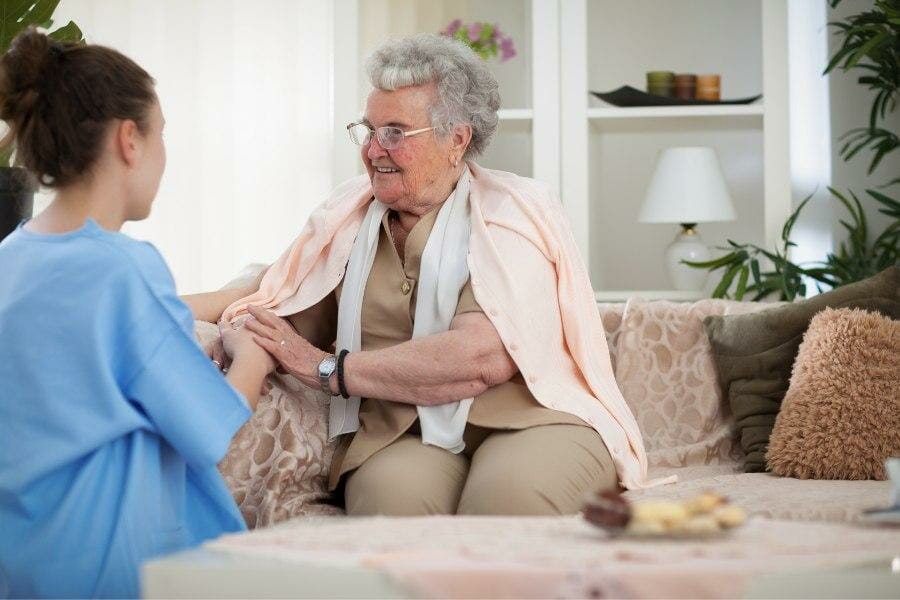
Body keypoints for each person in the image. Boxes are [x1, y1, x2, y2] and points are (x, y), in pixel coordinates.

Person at [214, 34, 661, 517]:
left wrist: (327, 369)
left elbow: (478, 358)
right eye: (367, 130)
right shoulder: (347, 215)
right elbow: (275, 292)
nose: (371, 150)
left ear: (457, 139)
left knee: (506, 502)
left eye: (395, 132)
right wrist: (147, 299)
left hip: (533, 419)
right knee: (392, 509)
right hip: (403, 427)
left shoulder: (512, 217)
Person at [0, 30, 275, 598]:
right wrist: (254, 355)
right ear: (130, 139)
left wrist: (226, 293)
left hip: (24, 563)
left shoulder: (11, 257)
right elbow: (211, 428)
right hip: (110, 568)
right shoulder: (125, 270)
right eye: (162, 135)